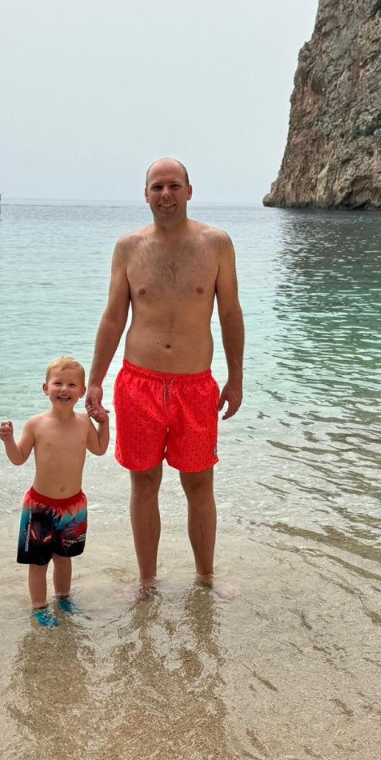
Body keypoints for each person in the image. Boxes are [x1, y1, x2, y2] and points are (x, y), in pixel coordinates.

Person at [87, 158, 244, 591]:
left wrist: (236, 377)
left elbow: (230, 314)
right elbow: (113, 318)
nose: (166, 194)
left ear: (190, 191)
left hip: (196, 385)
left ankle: (206, 578)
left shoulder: (216, 244)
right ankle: (147, 582)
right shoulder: (129, 248)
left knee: (200, 483)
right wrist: (96, 379)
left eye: (174, 186)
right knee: (144, 483)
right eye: (157, 187)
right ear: (146, 195)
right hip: (139, 383)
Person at [0, 355, 110, 626]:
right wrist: (8, 440)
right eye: (58, 383)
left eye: (72, 385)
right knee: (38, 562)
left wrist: (104, 423)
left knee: (64, 558)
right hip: (40, 506)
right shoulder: (36, 424)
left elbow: (99, 449)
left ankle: (63, 598)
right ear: (45, 388)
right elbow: (18, 458)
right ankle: (39, 607)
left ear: (82, 391)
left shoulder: (84, 423)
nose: (64, 389)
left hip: (73, 506)